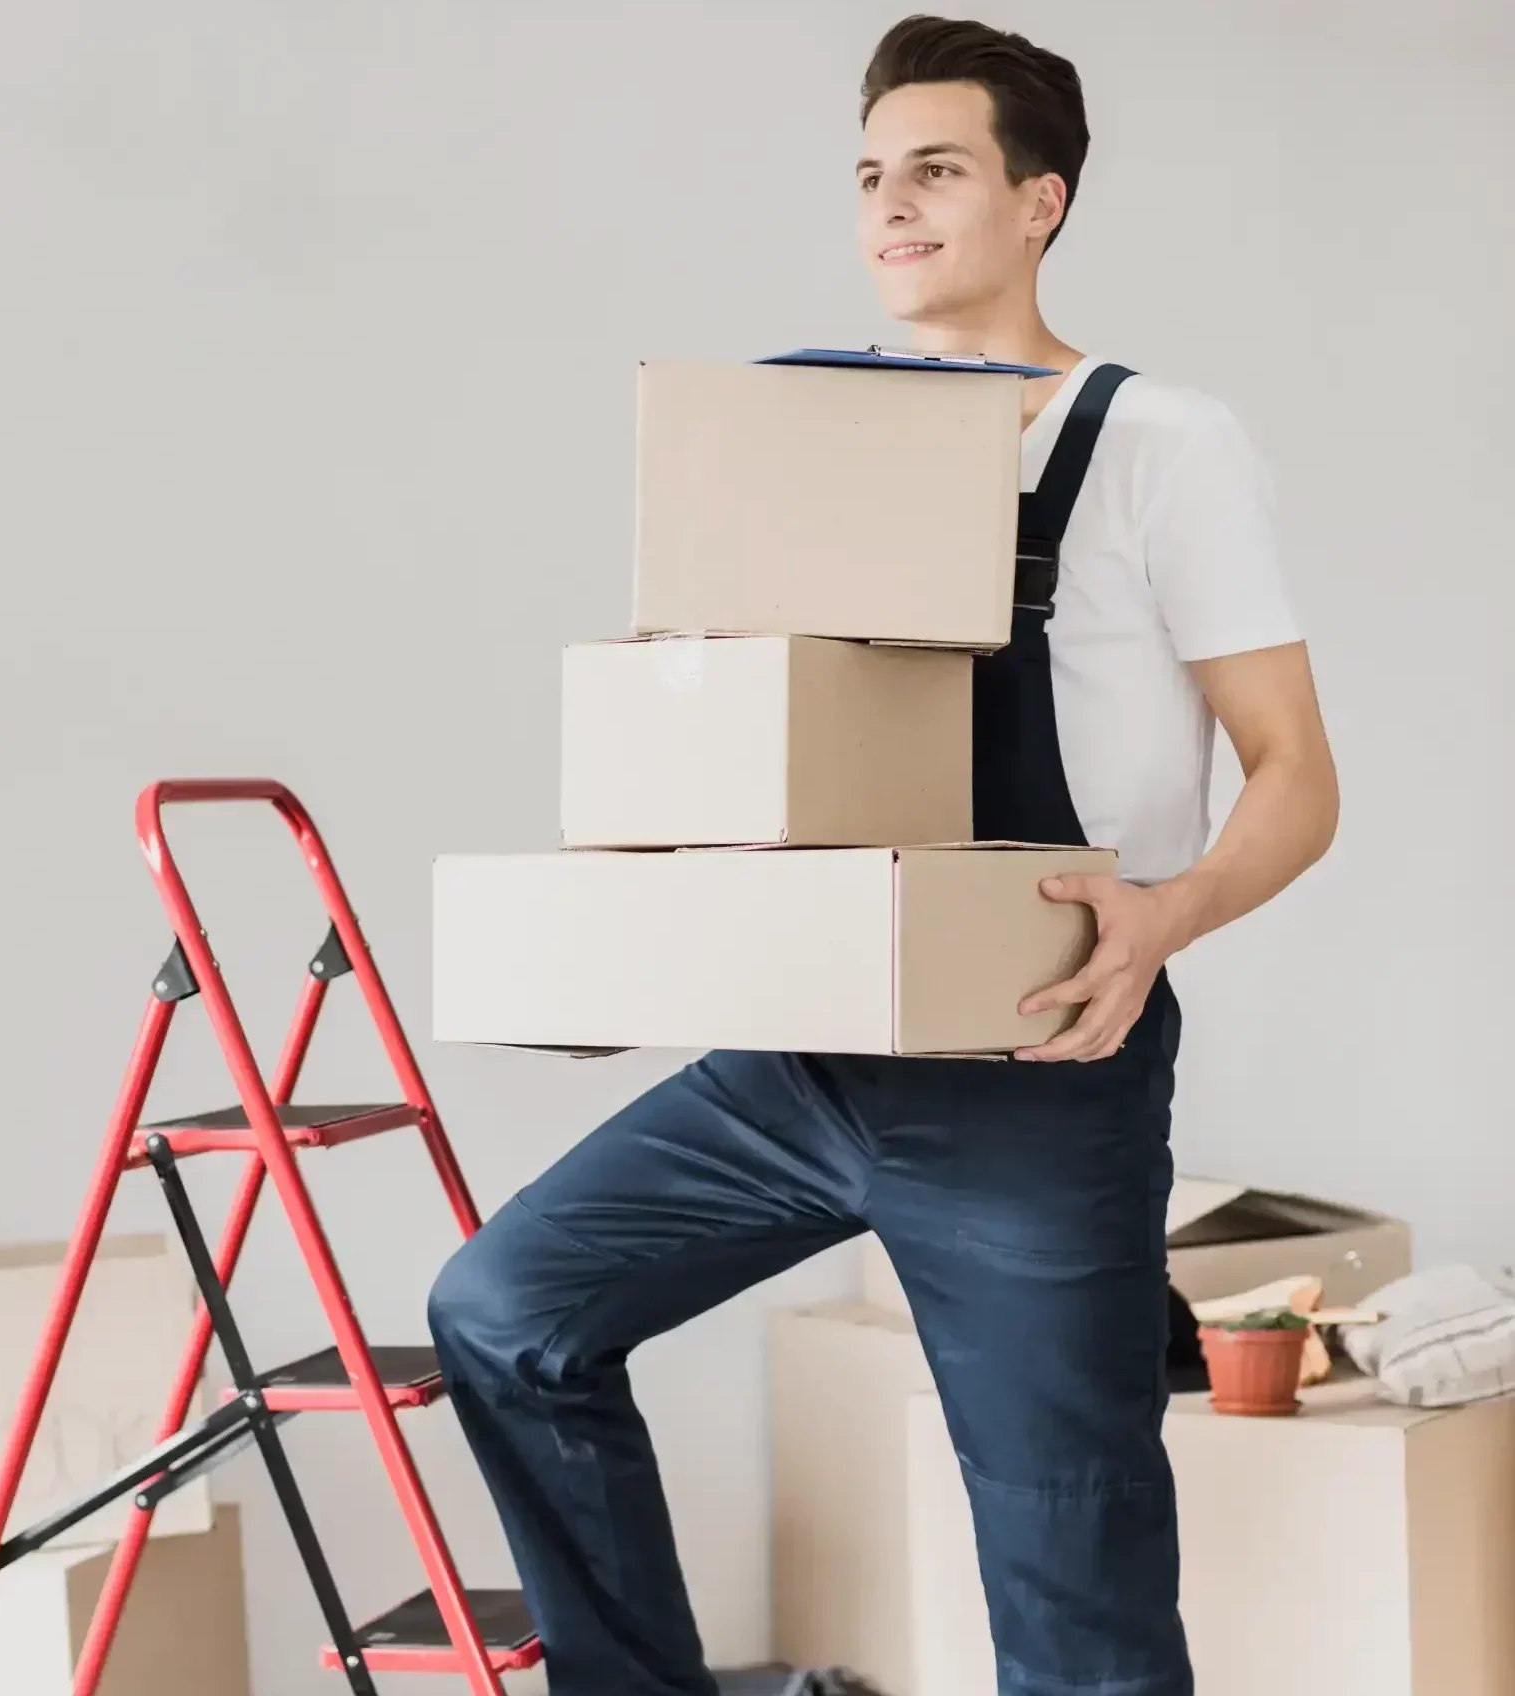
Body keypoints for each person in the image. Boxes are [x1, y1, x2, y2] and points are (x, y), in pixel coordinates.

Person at [428, 14, 1340, 1696]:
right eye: (868, 175)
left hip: (1033, 1067)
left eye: (936, 169)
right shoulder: (796, 431)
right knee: (504, 1313)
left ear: (1041, 199)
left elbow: (1296, 776)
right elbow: (752, 743)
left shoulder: (1159, 445)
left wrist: (1166, 919)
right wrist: (653, 929)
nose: (890, 207)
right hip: (804, 1058)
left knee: (1073, 1573)